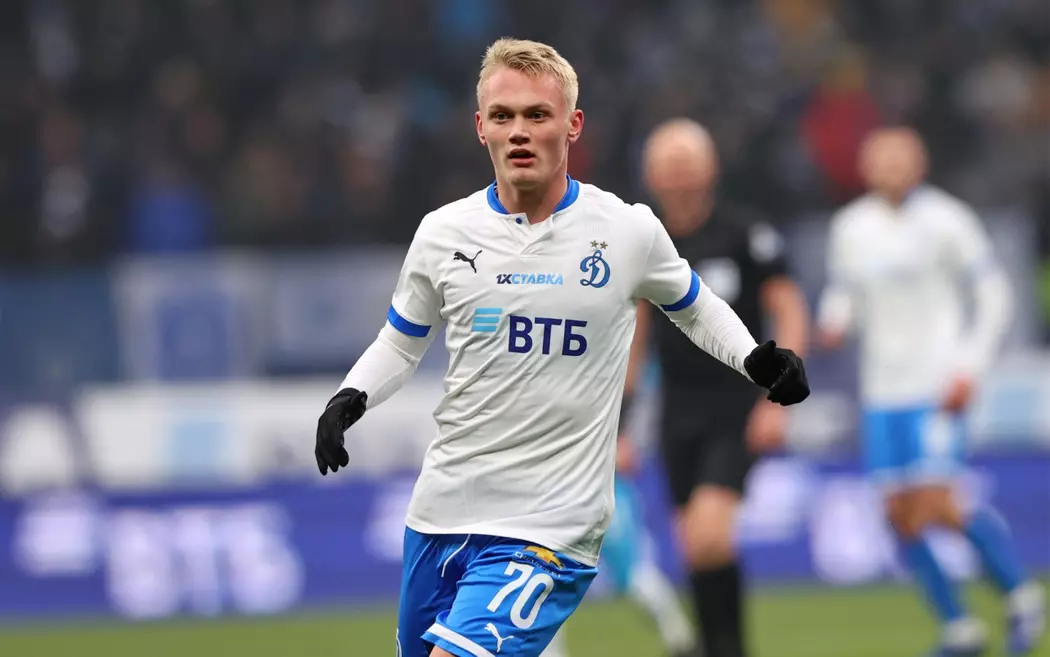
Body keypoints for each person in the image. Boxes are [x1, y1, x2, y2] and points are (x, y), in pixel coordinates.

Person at [314, 39, 810, 657]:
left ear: (572, 125)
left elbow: (695, 305)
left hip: (551, 525)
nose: (519, 131)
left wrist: (756, 359)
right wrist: (350, 397)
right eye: (503, 116)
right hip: (442, 513)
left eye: (537, 115)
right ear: (480, 127)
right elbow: (401, 342)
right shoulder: (442, 234)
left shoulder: (626, 231)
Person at [816, 127, 1045, 657]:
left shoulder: (948, 219)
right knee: (898, 514)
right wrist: (833, 321)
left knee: (937, 502)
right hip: (882, 390)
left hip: (937, 382)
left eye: (901, 159)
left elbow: (994, 294)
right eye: (882, 160)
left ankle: (1020, 592)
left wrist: (970, 367)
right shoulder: (851, 227)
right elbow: (845, 293)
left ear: (920, 163)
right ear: (866, 168)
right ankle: (959, 628)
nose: (892, 168)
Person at [620, 119, 810, 657]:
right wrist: (620, 424)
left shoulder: (745, 233)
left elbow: (789, 308)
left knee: (709, 534)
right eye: (668, 165)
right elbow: (636, 338)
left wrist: (781, 396)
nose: (679, 176)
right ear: (651, 175)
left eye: (688, 163)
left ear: (711, 169)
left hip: (736, 405)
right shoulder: (647, 243)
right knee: (693, 547)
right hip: (676, 411)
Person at [542, 473, 699, 657]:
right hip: (558, 495)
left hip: (599, 487)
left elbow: (626, 459)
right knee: (547, 576)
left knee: (633, 572)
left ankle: (682, 642)